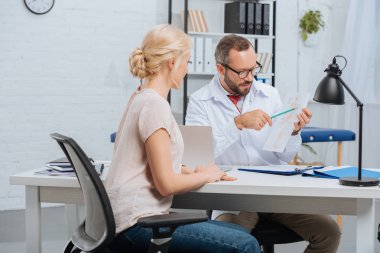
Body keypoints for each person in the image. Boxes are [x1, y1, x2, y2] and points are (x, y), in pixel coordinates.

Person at [104, 25, 261, 253]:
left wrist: (190, 172)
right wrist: (206, 175)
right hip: (137, 225)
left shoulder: (140, 97)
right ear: (172, 63)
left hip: (125, 221)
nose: (186, 69)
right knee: (246, 245)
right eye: (187, 61)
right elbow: (166, 185)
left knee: (239, 235)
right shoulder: (154, 105)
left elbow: (151, 166)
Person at [186, 34, 341, 253]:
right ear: (221, 70)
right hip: (234, 197)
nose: (250, 78)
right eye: (242, 72)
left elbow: (282, 156)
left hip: (274, 193)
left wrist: (292, 132)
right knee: (230, 245)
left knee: (329, 232)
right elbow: (198, 159)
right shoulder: (199, 102)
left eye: (253, 69)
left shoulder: (269, 95)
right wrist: (237, 124)